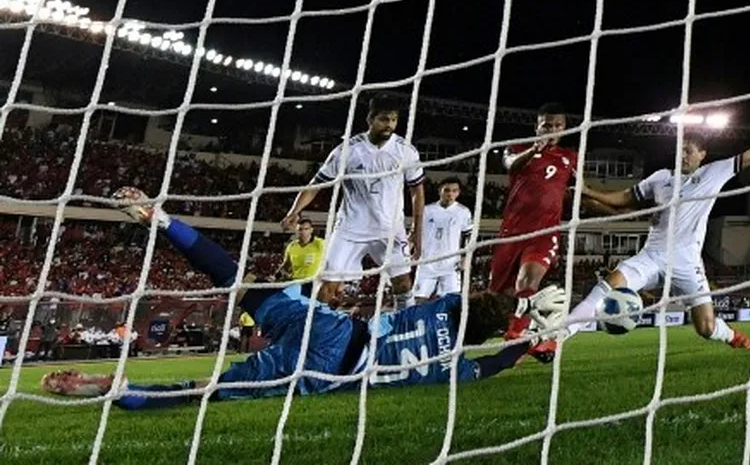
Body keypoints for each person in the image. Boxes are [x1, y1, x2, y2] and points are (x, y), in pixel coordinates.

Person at [39, 187, 564, 409]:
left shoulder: (446, 305)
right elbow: (494, 363)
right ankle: (119, 392)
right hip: (329, 372)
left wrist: (520, 308)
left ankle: (163, 220)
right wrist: (532, 339)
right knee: (214, 389)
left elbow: (478, 305)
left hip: (332, 326)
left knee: (238, 281)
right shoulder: (456, 369)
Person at [568, 98, 750, 349]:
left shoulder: (714, 173)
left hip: (686, 262)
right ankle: (560, 336)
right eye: (681, 149)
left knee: (705, 328)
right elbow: (624, 198)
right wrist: (589, 191)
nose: (683, 155)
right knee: (610, 284)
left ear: (702, 155)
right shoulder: (660, 178)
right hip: (651, 256)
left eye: (689, 151)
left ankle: (731, 335)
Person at [281, 94, 424, 310]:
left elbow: (417, 192)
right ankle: (316, 327)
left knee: (403, 283)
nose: (389, 125)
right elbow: (316, 184)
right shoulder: (347, 150)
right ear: (370, 119)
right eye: (383, 119)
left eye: (394, 120)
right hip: (350, 229)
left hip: (389, 229)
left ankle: (406, 325)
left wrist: (416, 230)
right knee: (327, 287)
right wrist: (294, 211)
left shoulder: (405, 151)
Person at [489, 102, 578, 360]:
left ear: (564, 128)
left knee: (527, 281)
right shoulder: (518, 148)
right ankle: (530, 336)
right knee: (499, 295)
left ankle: (517, 336)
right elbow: (510, 165)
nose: (552, 129)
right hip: (512, 233)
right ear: (537, 126)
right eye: (547, 125)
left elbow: (580, 188)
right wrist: (533, 150)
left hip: (545, 233)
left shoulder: (569, 156)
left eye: (558, 125)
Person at [413, 177, 474, 302]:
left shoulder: (463, 212)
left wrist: (465, 257)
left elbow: (467, 235)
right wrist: (412, 249)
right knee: (419, 300)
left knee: (450, 302)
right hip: (427, 262)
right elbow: (415, 232)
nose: (450, 194)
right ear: (440, 190)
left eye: (454, 191)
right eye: (447, 190)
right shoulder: (427, 210)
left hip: (451, 264)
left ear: (458, 193)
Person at [276, 218, 325, 299]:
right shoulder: (292, 246)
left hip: (312, 283)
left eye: (306, 229)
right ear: (296, 230)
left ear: (311, 230)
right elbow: (286, 265)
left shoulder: (320, 244)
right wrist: (277, 275)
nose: (303, 232)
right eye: (300, 229)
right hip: (296, 283)